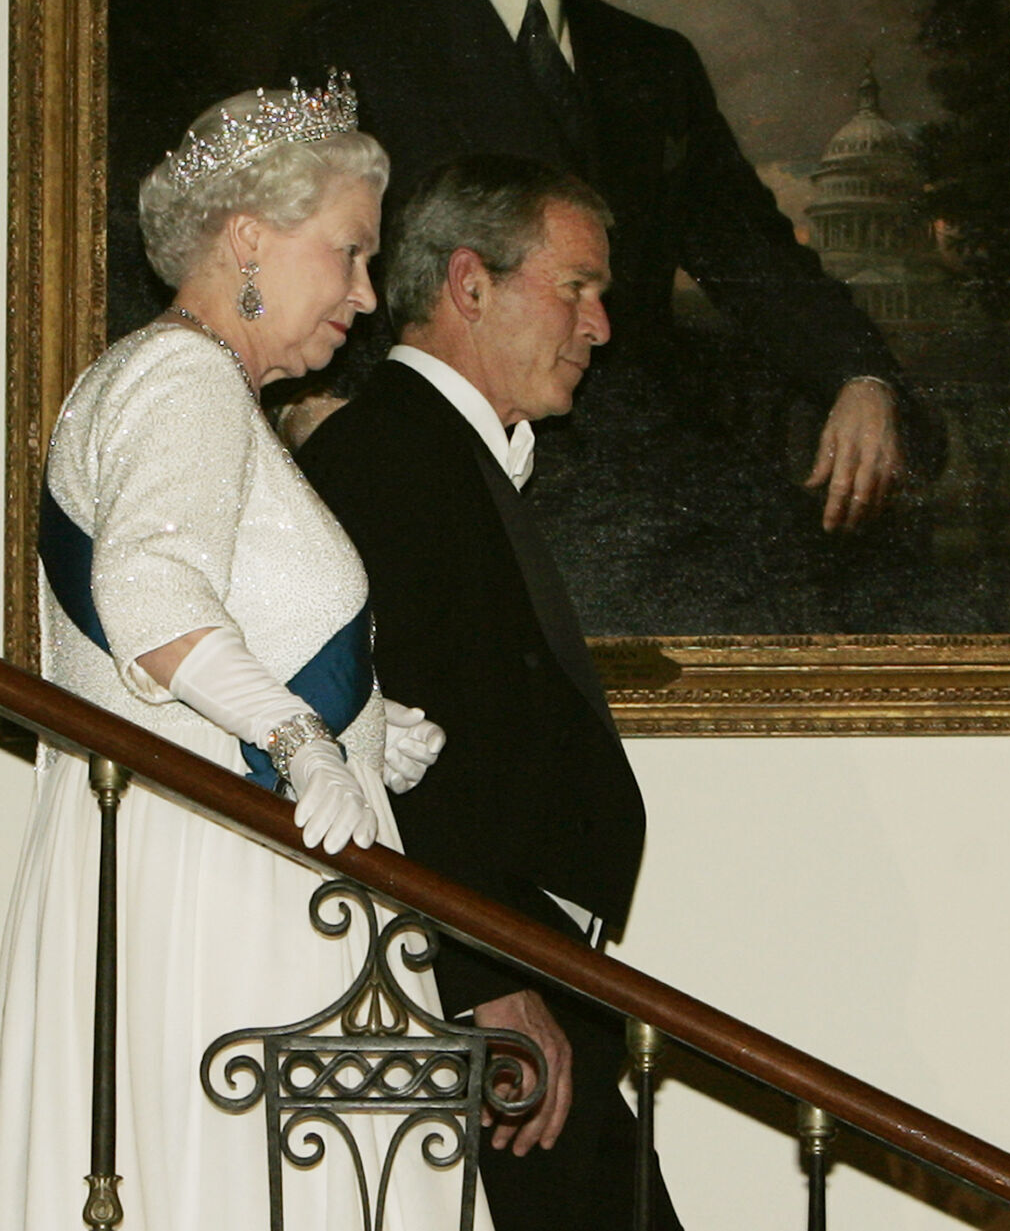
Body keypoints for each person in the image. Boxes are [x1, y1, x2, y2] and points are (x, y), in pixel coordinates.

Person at [0, 77, 494, 1231]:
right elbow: (148, 590)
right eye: (351, 253)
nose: (367, 297)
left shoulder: (170, 378)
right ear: (250, 238)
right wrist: (301, 734)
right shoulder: (184, 379)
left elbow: (202, 606)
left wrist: (364, 725)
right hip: (219, 862)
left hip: (203, 841)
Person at [287, 0, 940, 638]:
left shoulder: (654, 63)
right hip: (447, 464)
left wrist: (857, 374)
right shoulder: (354, 45)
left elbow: (751, 255)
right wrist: (318, 415)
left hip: (647, 462)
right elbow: (296, 261)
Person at [295, 154, 682, 1231]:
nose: (600, 326)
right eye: (577, 287)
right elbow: (380, 733)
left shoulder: (428, 453)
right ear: (470, 284)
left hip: (514, 983)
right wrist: (478, 980)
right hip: (471, 994)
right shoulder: (393, 460)